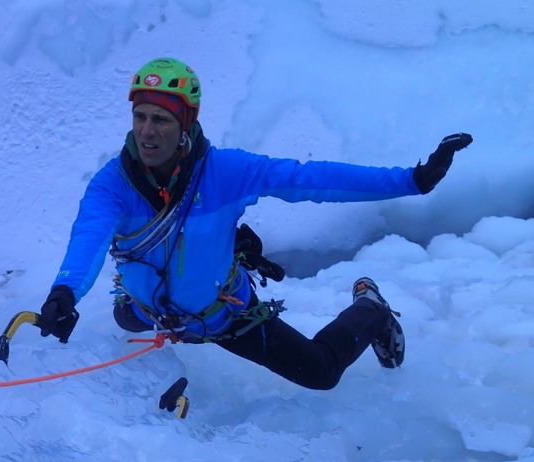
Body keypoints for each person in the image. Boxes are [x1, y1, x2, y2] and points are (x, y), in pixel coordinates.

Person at [29, 57, 472, 390]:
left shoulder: (225, 173)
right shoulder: (113, 184)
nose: (147, 131)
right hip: (149, 310)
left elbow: (309, 179)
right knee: (126, 318)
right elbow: (88, 236)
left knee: (321, 373)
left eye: (161, 119)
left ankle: (371, 310)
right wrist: (65, 292)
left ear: (187, 122)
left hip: (222, 316)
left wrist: (410, 180)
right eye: (140, 116)